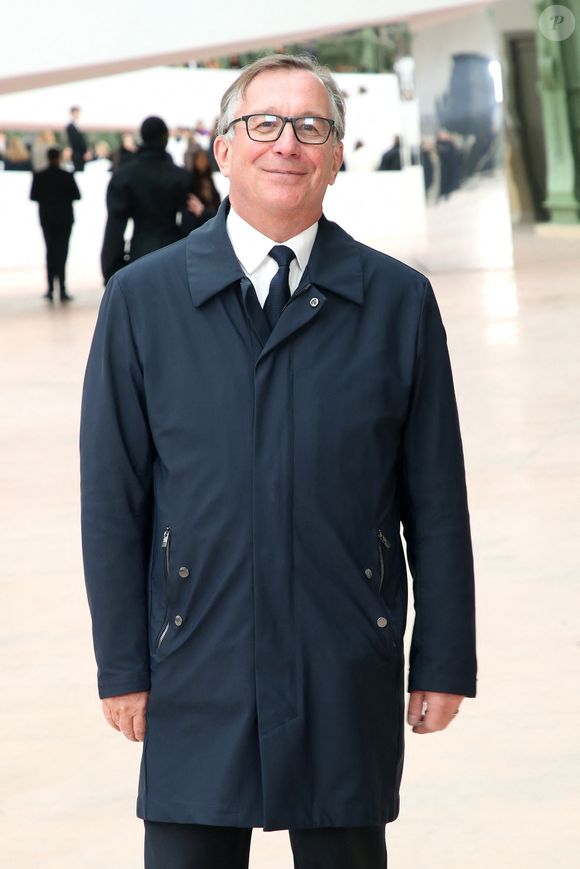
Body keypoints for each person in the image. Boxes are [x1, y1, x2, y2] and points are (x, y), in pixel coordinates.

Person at [81, 54, 476, 869]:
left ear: (337, 155)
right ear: (223, 149)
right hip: (196, 656)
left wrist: (442, 654)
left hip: (342, 655)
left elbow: (435, 498)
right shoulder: (142, 302)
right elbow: (112, 498)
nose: (285, 143)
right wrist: (122, 660)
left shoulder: (397, 301)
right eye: (263, 123)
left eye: (311, 127)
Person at [100, 115, 192, 283]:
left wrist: (111, 269)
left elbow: (115, 225)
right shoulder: (181, 176)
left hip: (139, 253)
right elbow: (190, 222)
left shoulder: (124, 176)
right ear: (165, 138)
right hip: (175, 255)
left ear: (142, 137)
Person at [30, 147, 80, 302]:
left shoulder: (40, 176)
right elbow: (77, 195)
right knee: (62, 252)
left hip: (47, 219)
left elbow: (34, 196)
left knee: (50, 251)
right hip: (64, 219)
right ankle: (62, 288)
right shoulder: (66, 176)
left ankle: (51, 288)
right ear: (59, 157)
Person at [66, 106, 91, 172]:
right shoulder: (70, 127)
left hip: (80, 154)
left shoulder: (75, 126)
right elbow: (76, 141)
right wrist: (84, 151)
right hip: (78, 154)